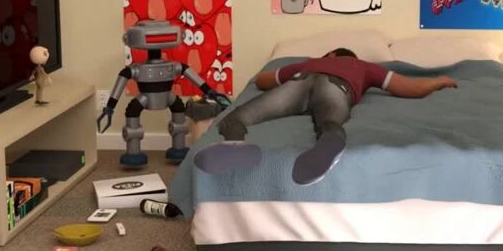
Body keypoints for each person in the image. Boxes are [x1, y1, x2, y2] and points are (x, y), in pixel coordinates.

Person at [193, 48, 457, 185]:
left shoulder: (308, 61)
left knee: (239, 116)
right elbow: (408, 87)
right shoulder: (366, 67)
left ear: (330, 54)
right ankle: (329, 142)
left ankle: (236, 145)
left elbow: (262, 80)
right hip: (336, 87)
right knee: (330, 121)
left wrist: (286, 70)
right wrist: (438, 81)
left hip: (299, 81)